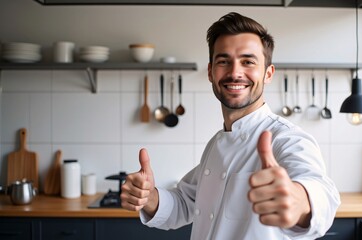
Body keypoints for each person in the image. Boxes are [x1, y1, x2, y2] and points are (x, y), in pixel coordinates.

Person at [120, 12, 340, 239]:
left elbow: (321, 191)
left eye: (248, 62)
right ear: (210, 72)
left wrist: (298, 201)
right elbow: (186, 203)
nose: (235, 73)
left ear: (268, 73)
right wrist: (149, 197)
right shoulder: (216, 143)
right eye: (223, 61)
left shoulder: (286, 139)